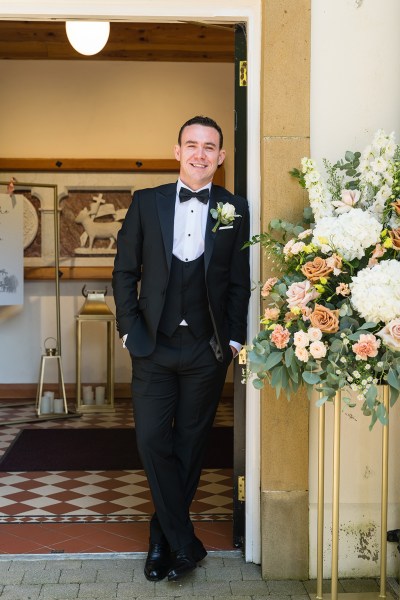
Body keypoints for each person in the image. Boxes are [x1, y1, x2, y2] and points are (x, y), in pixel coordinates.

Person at [112, 115, 250, 582]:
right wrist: (130, 332)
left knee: (191, 447)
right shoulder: (145, 204)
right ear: (176, 152)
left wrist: (232, 339)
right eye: (191, 145)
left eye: (209, 147)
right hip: (153, 345)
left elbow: (238, 282)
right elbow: (124, 273)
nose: (200, 154)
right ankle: (183, 540)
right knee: (152, 440)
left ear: (221, 157)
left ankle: (162, 541)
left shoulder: (235, 208)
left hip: (206, 350)